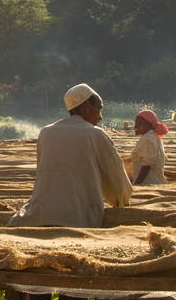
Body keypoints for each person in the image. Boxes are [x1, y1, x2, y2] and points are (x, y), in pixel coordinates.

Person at [9, 83, 133, 227]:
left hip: (38, 214)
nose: (100, 117)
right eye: (99, 109)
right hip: (80, 217)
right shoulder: (95, 134)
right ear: (87, 107)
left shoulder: (46, 133)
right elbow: (116, 179)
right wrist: (121, 201)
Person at [126, 109, 167, 185]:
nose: (135, 126)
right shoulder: (153, 136)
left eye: (139, 124)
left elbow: (146, 165)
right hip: (155, 181)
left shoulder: (147, 139)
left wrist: (137, 184)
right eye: (135, 123)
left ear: (149, 124)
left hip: (148, 183)